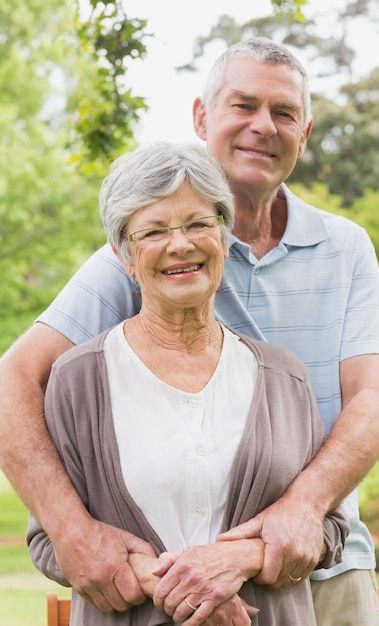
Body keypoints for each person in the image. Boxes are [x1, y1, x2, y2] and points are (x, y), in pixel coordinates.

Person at [0, 37, 379, 625]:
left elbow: (371, 399)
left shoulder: (345, 247)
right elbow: (15, 378)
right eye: (244, 105)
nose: (263, 126)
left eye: (284, 112)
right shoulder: (143, 252)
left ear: (305, 133)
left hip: (323, 563)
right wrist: (73, 532)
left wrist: (303, 508)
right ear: (202, 117)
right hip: (167, 587)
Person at [26, 140, 349, 626]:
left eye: (198, 223)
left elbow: (330, 530)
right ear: (125, 255)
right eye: (153, 231)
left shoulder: (285, 378)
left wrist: (238, 561)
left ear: (222, 237)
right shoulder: (78, 381)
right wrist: (186, 588)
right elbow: (51, 540)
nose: (180, 244)